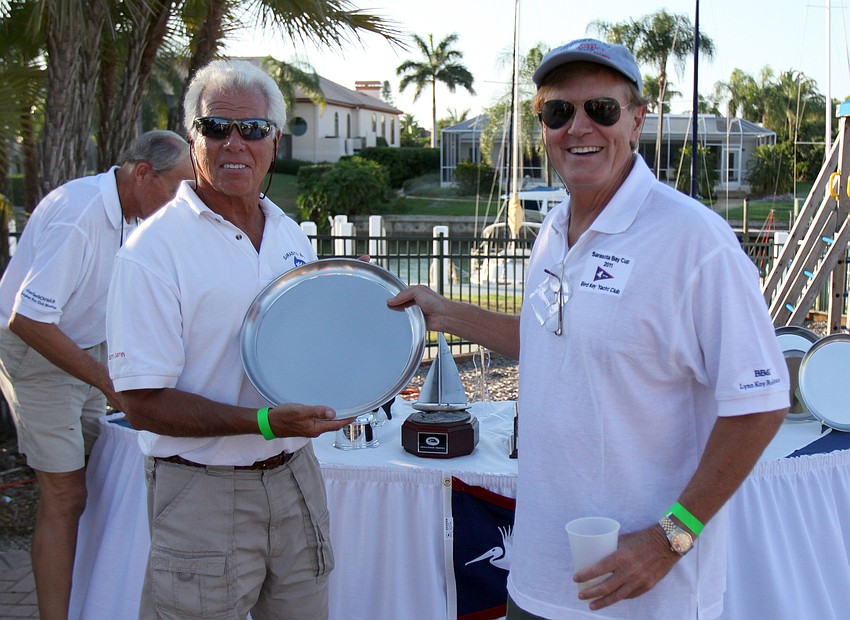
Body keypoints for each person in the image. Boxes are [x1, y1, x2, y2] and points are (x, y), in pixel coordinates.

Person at [389, 38, 789, 619]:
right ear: (542, 125)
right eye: (559, 112)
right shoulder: (553, 227)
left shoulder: (695, 241)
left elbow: (760, 403)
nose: (579, 127)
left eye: (601, 109)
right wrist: (446, 312)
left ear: (636, 120)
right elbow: (552, 340)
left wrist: (669, 539)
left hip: (647, 592)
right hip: (537, 578)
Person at [105, 59, 356, 620]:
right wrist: (264, 423)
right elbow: (139, 402)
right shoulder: (152, 252)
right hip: (201, 494)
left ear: (275, 140)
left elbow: (307, 345)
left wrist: (353, 304)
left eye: (253, 129)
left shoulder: (289, 233)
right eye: (217, 128)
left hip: (295, 479)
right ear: (194, 137)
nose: (234, 144)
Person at [0, 129, 192, 620]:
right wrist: (108, 381)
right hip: (36, 350)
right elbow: (28, 318)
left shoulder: (136, 211)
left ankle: (91, 602)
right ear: (143, 172)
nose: (183, 202)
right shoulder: (82, 213)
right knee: (64, 495)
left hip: (80, 347)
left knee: (93, 484)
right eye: (178, 188)